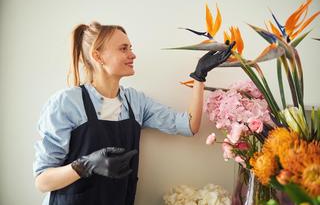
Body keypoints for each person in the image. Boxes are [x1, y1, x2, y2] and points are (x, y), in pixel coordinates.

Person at [33, 21, 235, 205]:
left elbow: (190, 126)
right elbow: (43, 181)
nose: (133, 54)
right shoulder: (67, 103)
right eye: (123, 49)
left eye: (130, 48)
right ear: (98, 56)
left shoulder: (135, 102)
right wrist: (85, 165)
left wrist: (199, 76)